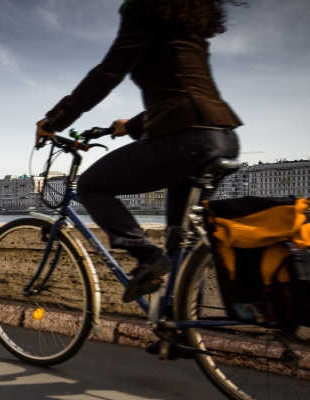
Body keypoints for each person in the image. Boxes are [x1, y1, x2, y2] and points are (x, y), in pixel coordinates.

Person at [36, 0, 243, 302]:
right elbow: (186, 88)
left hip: (183, 139)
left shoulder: (145, 8)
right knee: (179, 241)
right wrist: (133, 124)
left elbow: (109, 72)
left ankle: (146, 255)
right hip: (221, 135)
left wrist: (55, 120)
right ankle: (180, 332)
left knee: (92, 185)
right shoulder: (189, 21)